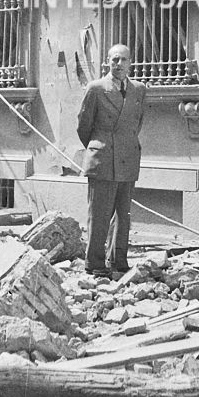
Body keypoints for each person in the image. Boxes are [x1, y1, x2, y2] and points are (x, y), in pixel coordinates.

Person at [76, 43, 146, 276]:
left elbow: (137, 123)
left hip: (127, 157)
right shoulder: (96, 88)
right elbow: (83, 126)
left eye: (123, 60)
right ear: (107, 62)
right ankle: (95, 263)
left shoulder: (138, 89)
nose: (118, 64)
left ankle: (118, 260)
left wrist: (124, 146)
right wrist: (99, 147)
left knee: (123, 215)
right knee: (99, 214)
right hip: (103, 158)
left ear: (130, 63)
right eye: (114, 59)